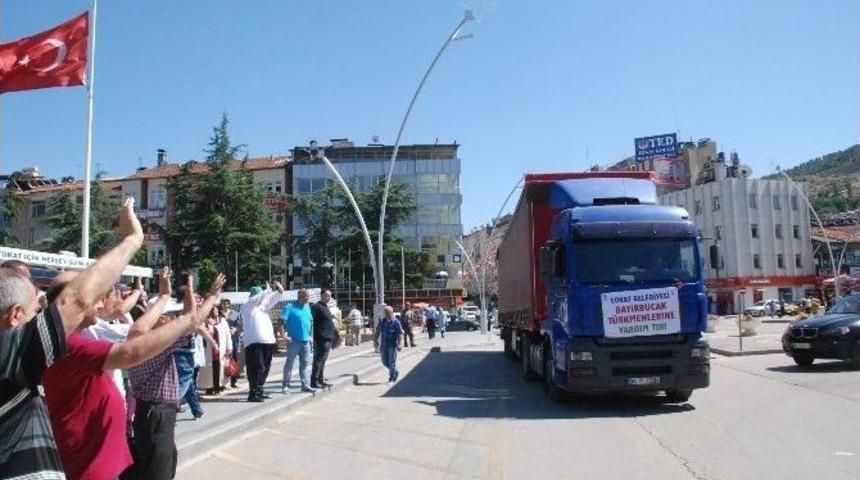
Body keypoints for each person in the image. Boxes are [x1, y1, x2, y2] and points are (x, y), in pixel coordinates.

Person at [1, 198, 143, 479]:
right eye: (35, 311)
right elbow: (77, 299)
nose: (41, 314)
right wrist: (133, 239)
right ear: (15, 315)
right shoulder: (9, 355)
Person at [128, 274, 225, 480]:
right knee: (160, 471)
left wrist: (184, 292)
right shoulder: (157, 344)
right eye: (170, 316)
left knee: (156, 465)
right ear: (159, 320)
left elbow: (189, 319)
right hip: (157, 414)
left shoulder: (136, 339)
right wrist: (212, 297)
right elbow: (192, 321)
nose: (173, 319)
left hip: (149, 413)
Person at [241, 282, 286, 402]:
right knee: (257, 368)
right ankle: (254, 393)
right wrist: (266, 291)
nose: (262, 298)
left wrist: (279, 290)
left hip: (267, 342)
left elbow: (273, 298)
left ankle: (259, 390)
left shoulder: (263, 307)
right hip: (254, 343)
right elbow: (256, 299)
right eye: (260, 295)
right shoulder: (247, 307)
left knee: (265, 368)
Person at [280, 289, 315, 393]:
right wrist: (284, 336)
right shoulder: (290, 306)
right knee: (290, 364)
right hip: (294, 340)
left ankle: (305, 385)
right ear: (299, 296)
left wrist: (310, 337)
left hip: (306, 341)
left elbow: (310, 322)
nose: (307, 298)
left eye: (308, 296)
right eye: (305, 296)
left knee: (305, 364)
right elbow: (280, 321)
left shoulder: (307, 307)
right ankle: (285, 385)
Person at [199, 306, 233, 394]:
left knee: (220, 367)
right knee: (210, 368)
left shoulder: (223, 321)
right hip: (209, 349)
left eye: (217, 310)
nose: (216, 311)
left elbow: (228, 335)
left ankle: (219, 386)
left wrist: (229, 348)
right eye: (214, 310)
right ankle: (209, 387)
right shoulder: (205, 322)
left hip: (221, 349)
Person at [311, 290, 336, 389]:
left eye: (330, 296)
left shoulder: (325, 307)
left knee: (323, 360)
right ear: (321, 295)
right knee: (318, 360)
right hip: (321, 337)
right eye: (327, 296)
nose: (329, 298)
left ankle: (320, 380)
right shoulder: (317, 307)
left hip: (327, 337)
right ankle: (314, 381)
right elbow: (311, 321)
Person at [376, 306, 403, 382]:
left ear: (392, 312)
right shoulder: (382, 321)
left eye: (388, 313)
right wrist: (375, 340)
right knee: (384, 362)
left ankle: (391, 377)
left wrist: (399, 344)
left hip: (392, 345)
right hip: (383, 345)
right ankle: (396, 371)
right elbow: (377, 331)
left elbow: (399, 333)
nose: (387, 314)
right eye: (385, 313)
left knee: (392, 362)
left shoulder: (396, 322)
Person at [223, 298, 243, 388]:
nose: (226, 305)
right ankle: (224, 381)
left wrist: (235, 329)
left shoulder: (235, 314)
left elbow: (240, 325)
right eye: (224, 303)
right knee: (224, 360)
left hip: (233, 339)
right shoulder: (220, 314)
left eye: (227, 303)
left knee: (234, 359)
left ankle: (234, 380)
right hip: (223, 340)